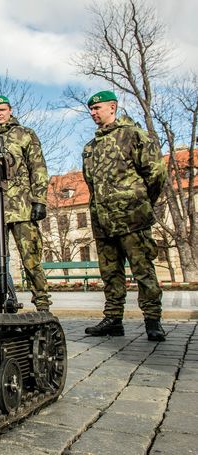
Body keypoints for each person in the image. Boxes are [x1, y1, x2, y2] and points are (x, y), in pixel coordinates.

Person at [82, 91, 167, 342]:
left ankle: (153, 320)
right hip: (103, 220)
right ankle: (113, 319)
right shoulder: (91, 146)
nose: (93, 112)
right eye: (91, 109)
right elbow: (91, 183)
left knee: (143, 271)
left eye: (97, 107)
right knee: (110, 273)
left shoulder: (134, 135)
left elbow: (156, 173)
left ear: (112, 107)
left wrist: (140, 201)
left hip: (132, 217)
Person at [0, 95, 52, 311]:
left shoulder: (25, 135)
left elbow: (38, 168)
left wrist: (39, 200)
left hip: (21, 206)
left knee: (31, 258)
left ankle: (42, 302)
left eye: (2, 109)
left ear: (10, 110)